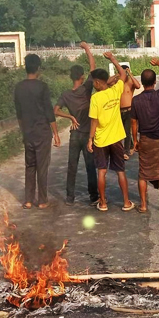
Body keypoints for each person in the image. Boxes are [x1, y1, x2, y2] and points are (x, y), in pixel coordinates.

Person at [87, 52, 135, 212]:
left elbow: (94, 121)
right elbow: (122, 74)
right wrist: (113, 59)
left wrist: (90, 139)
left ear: (99, 82)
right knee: (120, 171)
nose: (93, 84)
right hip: (116, 139)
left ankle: (103, 202)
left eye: (94, 82)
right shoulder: (116, 90)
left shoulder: (95, 98)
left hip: (101, 140)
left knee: (102, 171)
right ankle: (127, 202)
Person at [54, 41, 99, 207]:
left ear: (71, 77)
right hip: (87, 134)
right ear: (82, 77)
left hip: (74, 135)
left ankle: (70, 197)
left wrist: (70, 118)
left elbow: (55, 110)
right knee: (90, 166)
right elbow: (93, 66)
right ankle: (93, 197)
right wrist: (87, 48)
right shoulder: (87, 87)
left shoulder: (66, 94)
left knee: (72, 166)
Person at [14, 53, 61, 210]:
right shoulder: (42, 87)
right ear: (38, 68)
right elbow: (49, 112)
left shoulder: (19, 88)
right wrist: (56, 134)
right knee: (42, 166)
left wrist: (23, 131)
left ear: (25, 67)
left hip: (28, 132)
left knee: (30, 165)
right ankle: (41, 200)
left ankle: (28, 200)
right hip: (42, 132)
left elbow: (19, 114)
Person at [131, 58, 159, 213]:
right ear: (155, 81)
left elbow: (133, 123)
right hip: (158, 140)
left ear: (142, 82)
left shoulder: (136, 100)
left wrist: (135, 141)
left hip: (144, 139)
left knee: (143, 174)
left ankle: (143, 205)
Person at [119, 64, 141, 160]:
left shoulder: (130, 82)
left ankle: (126, 151)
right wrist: (118, 74)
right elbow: (108, 82)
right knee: (121, 131)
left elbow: (138, 85)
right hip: (119, 110)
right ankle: (130, 145)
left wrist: (130, 73)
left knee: (127, 131)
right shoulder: (118, 82)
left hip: (129, 110)